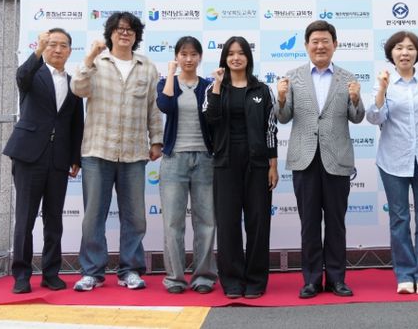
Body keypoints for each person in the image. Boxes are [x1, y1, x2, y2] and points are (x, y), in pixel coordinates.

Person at [70, 11, 163, 291]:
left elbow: (153, 107)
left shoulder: (147, 67)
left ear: (136, 36)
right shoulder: (96, 63)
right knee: (93, 217)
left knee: (135, 217)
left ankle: (130, 270)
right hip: (97, 150)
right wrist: (89, 57)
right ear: (110, 33)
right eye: (119, 29)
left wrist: (156, 140)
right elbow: (78, 88)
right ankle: (92, 272)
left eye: (130, 30)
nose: (124, 33)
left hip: (134, 152)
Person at [276, 20, 365, 299]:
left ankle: (337, 279)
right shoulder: (293, 77)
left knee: (336, 223)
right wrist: (281, 98)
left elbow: (357, 117)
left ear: (335, 44)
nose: (320, 46)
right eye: (314, 41)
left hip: (337, 159)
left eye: (325, 41)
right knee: (309, 223)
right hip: (305, 159)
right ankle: (312, 280)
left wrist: (355, 99)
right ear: (306, 45)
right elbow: (283, 117)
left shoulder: (348, 78)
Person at [3, 29, 84, 294]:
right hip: (29, 156)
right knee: (25, 219)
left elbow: (76, 123)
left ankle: (51, 273)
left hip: (59, 159)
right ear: (43, 48)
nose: (57, 49)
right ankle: (21, 275)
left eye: (63, 45)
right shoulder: (32, 74)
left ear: (70, 50)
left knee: (54, 220)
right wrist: (37, 50)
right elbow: (21, 76)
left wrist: (75, 157)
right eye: (52, 45)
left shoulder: (74, 83)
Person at [366, 31, 418, 295]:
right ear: (391, 53)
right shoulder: (384, 83)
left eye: (410, 48)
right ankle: (404, 274)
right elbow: (375, 118)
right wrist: (382, 90)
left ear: (417, 53)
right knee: (399, 218)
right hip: (393, 159)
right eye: (399, 48)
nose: (404, 52)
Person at [203, 36, 278, 299]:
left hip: (257, 163)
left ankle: (256, 280)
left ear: (248, 57)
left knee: (258, 223)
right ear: (224, 58)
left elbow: (270, 129)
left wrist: (272, 164)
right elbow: (210, 119)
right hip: (225, 162)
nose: (236, 58)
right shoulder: (214, 88)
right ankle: (232, 280)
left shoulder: (262, 90)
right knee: (228, 224)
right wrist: (217, 85)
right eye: (231, 53)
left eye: (241, 53)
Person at [156, 36, 217, 294]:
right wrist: (171, 74)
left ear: (200, 57)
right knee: (173, 222)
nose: (188, 59)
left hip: (204, 159)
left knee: (206, 221)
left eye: (193, 54)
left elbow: (215, 116)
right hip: (174, 160)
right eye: (183, 54)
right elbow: (166, 105)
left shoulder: (208, 85)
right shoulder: (165, 84)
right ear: (176, 57)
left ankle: (203, 277)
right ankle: (175, 278)